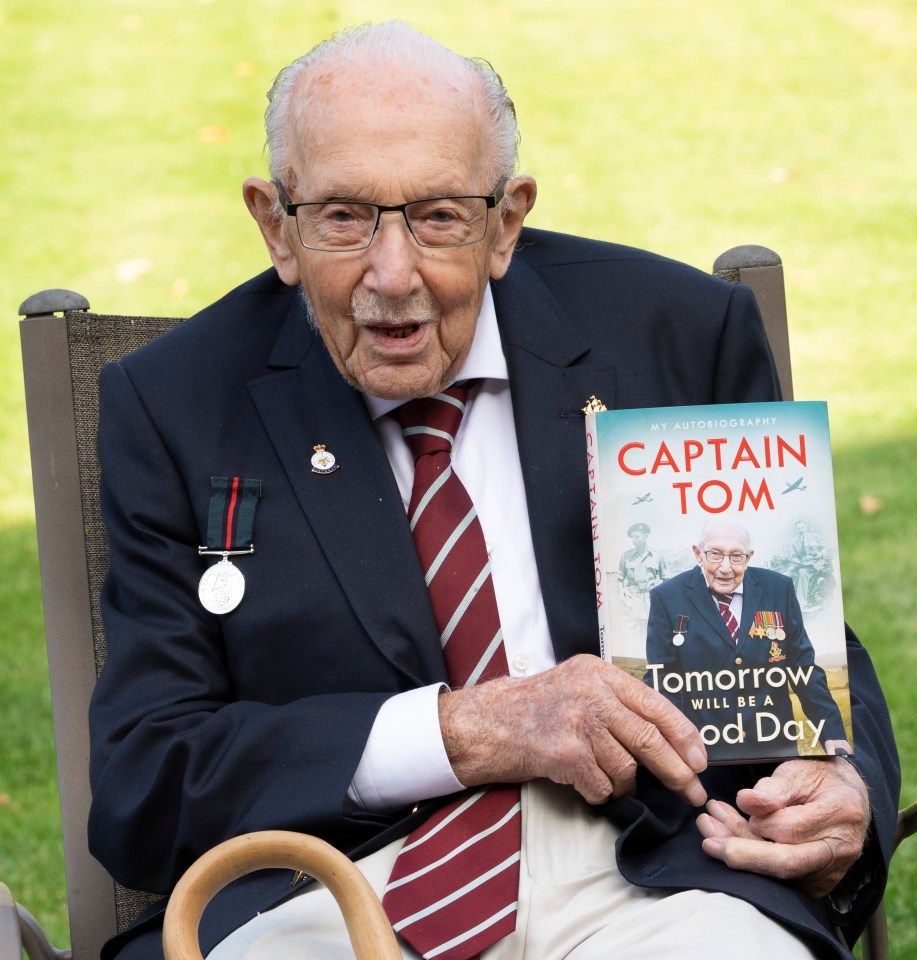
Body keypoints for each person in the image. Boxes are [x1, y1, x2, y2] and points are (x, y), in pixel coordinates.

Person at [87, 21, 898, 960]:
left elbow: (804, 640)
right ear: (276, 223)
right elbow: (146, 780)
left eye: (438, 215)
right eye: (342, 216)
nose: (391, 278)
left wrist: (844, 788)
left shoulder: (675, 334)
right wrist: (461, 731)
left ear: (506, 220)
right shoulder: (176, 402)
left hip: (658, 870)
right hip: (335, 885)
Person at [644, 517, 852, 762]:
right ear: (698, 554)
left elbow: (803, 667)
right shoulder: (667, 597)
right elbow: (661, 678)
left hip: (775, 749)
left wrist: (832, 732)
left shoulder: (779, 588)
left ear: (749, 557)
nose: (725, 567)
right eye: (715, 555)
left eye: (736, 556)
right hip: (704, 755)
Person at [616, 522, 667, 649]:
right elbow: (620, 578)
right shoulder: (626, 556)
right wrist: (621, 594)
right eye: (632, 537)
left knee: (648, 636)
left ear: (645, 536)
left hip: (650, 603)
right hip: (630, 603)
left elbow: (665, 578)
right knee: (628, 637)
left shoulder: (657, 557)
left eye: (637, 536)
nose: (633, 540)